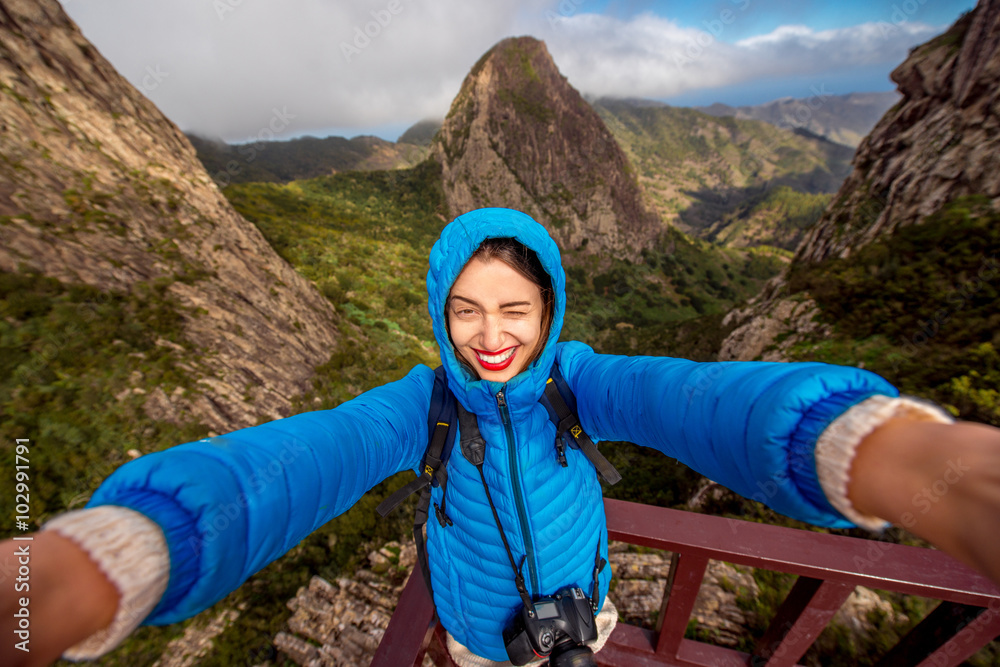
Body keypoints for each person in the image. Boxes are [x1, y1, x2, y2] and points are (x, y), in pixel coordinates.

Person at [3, 207, 1000, 667]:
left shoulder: (583, 380)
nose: (491, 337)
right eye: (467, 311)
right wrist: (127, 551)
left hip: (589, 615)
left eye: (515, 309)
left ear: (550, 310)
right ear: (440, 315)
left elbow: (703, 402)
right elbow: (295, 464)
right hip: (480, 638)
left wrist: (898, 456)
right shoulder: (417, 404)